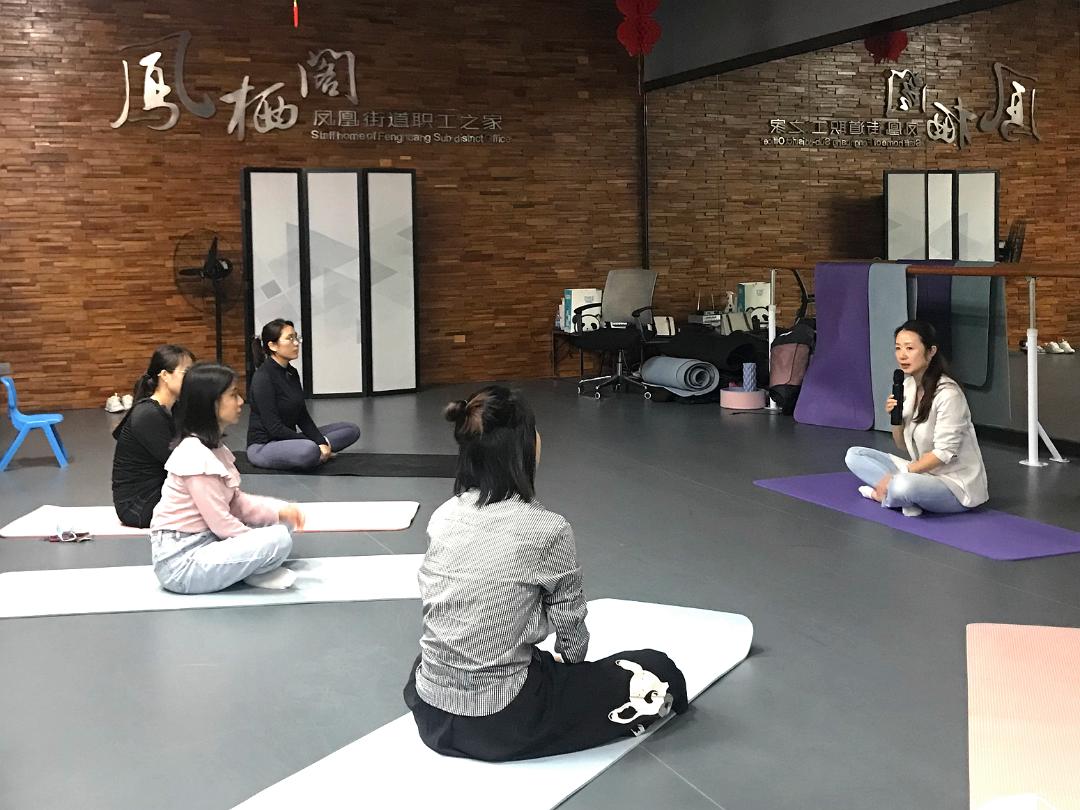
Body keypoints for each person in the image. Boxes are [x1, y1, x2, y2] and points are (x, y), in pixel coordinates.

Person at [403, 385, 688, 762]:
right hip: (501, 721)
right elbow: (571, 629)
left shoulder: (444, 515)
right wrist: (573, 674)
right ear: (522, 445)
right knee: (657, 669)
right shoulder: (548, 529)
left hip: (429, 707)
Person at [149, 362, 305, 593]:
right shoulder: (194, 454)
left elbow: (236, 502)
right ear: (210, 403)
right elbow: (221, 523)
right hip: (182, 565)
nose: (241, 401)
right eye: (233, 395)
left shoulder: (214, 448)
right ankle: (253, 570)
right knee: (279, 539)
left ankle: (248, 567)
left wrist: (278, 511)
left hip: (208, 542)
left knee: (283, 523)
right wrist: (260, 547)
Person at [845, 319, 989, 517]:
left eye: (910, 348)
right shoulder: (907, 387)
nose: (902, 355)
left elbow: (943, 453)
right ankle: (901, 497)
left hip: (953, 484)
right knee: (854, 455)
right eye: (898, 348)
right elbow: (901, 445)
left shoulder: (949, 394)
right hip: (921, 473)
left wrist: (899, 475)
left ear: (931, 351)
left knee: (903, 485)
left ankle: (884, 495)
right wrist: (896, 418)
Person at [245, 319, 360, 470]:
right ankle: (316, 453)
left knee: (351, 430)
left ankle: (319, 453)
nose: (296, 343)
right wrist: (314, 443)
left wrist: (321, 441)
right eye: (289, 338)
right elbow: (274, 428)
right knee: (308, 449)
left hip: (291, 440)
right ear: (272, 346)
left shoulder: (292, 373)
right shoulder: (263, 377)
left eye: (296, 337)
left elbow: (302, 416)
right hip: (264, 446)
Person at [111, 345, 195, 528]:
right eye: (187, 372)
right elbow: (180, 462)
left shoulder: (175, 408)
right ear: (164, 375)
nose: (193, 379)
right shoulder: (148, 414)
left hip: (158, 491)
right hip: (137, 506)